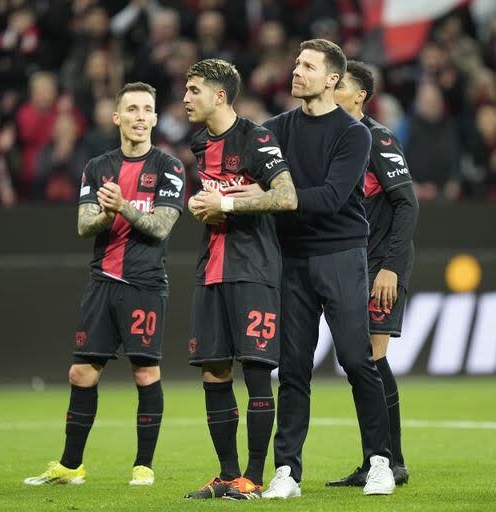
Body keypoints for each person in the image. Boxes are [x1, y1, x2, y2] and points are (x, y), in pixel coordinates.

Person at [228, 39, 396, 497]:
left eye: (308, 66)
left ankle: (380, 461)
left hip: (341, 254)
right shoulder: (275, 129)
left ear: (332, 79)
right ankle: (287, 471)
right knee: (294, 367)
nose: (297, 71)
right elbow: (247, 178)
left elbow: (331, 198)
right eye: (297, 63)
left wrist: (265, 200)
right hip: (291, 258)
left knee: (358, 360)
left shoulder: (354, 133)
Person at [23, 82, 185, 487]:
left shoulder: (169, 167)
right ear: (117, 118)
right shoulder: (97, 167)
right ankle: (70, 465)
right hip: (102, 282)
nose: (140, 117)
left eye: (147, 109)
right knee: (81, 373)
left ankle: (143, 465)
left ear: (154, 118)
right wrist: (105, 212)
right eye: (131, 109)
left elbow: (161, 227)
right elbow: (83, 225)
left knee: (145, 373)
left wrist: (121, 207)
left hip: (145, 283)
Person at [181, 58, 297, 500]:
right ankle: (227, 475)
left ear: (220, 96)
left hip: (253, 269)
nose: (186, 98)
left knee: (256, 371)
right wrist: (206, 205)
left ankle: (252, 476)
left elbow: (286, 196)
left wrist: (226, 206)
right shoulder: (199, 144)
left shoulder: (255, 137)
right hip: (210, 269)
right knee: (213, 371)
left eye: (194, 90)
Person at [328, 59, 419, 487]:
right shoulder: (333, 141)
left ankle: (390, 461)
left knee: (371, 360)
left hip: (378, 266)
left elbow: (407, 204)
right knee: (358, 362)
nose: (333, 87)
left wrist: (391, 269)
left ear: (360, 95)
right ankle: (375, 460)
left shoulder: (377, 139)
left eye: (340, 83)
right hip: (347, 266)